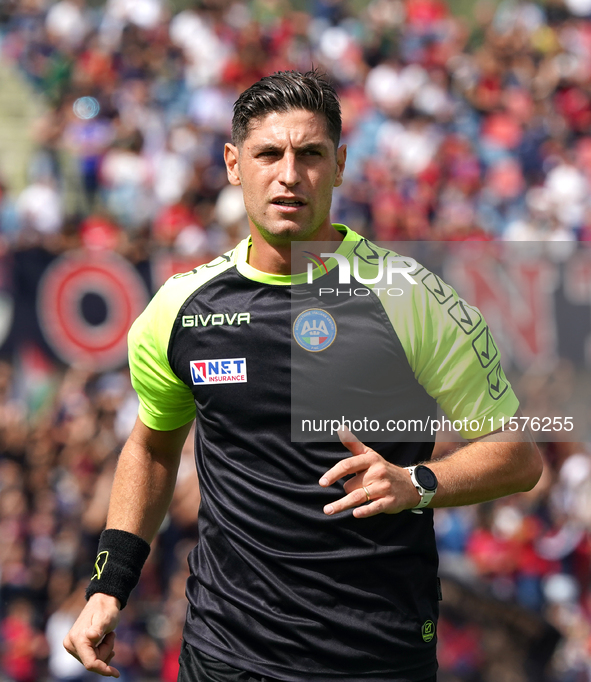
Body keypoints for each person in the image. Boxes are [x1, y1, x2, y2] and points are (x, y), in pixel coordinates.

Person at [64, 70, 543, 682]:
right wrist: (109, 585)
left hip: (376, 657)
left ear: (340, 165)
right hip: (226, 654)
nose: (289, 174)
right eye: (269, 154)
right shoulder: (180, 309)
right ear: (234, 164)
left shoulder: (409, 297)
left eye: (310, 154)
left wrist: (418, 481)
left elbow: (520, 455)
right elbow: (154, 447)